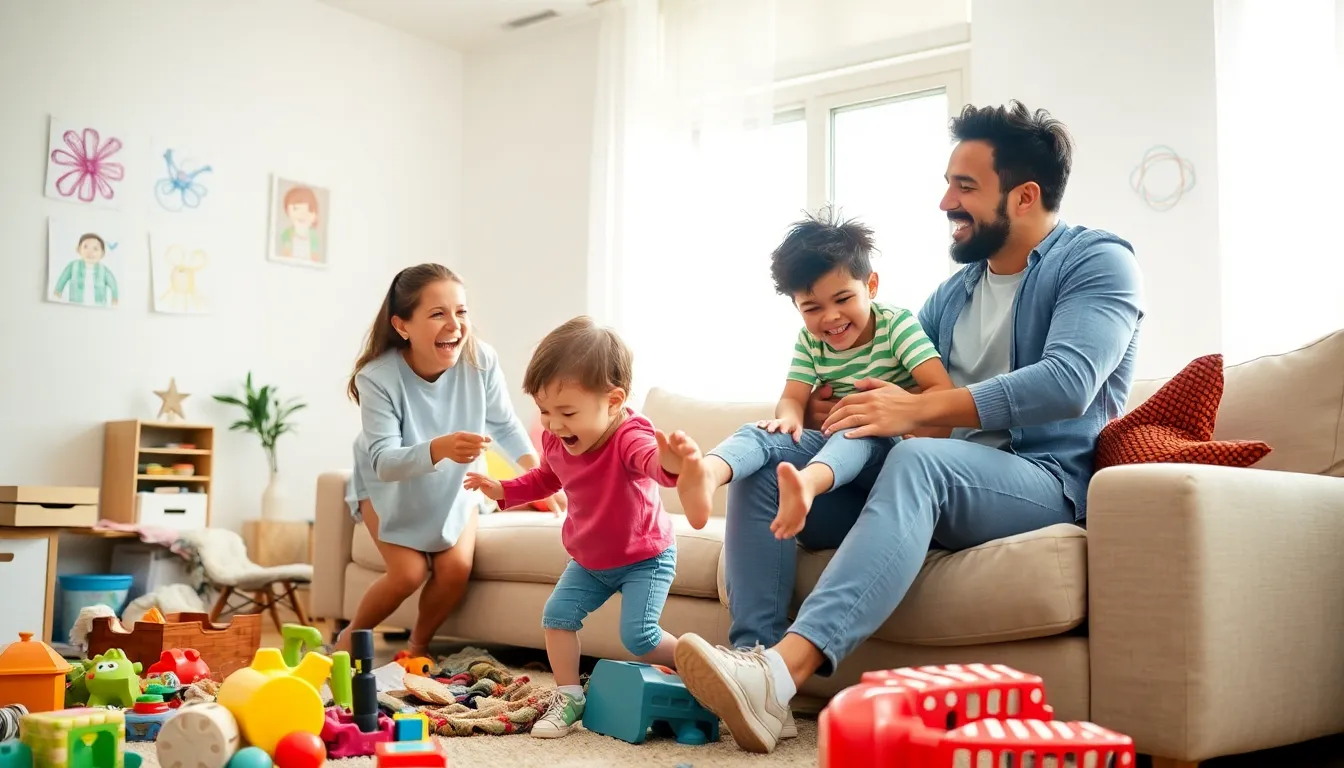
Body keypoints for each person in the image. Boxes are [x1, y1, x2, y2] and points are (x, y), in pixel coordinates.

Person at [672, 100, 1145, 753]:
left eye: (965, 186)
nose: (945, 201)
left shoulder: (1096, 262)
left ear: (1025, 195)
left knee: (919, 461)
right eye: (948, 183)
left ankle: (783, 672)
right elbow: (888, 385)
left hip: (1039, 483)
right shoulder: (955, 294)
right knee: (773, 463)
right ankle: (753, 668)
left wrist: (917, 411)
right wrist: (832, 409)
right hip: (925, 478)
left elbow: (1067, 383)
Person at [464, 316, 693, 739]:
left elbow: (652, 463)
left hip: (645, 557)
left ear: (614, 401)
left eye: (567, 412)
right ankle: (569, 696)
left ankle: (706, 667)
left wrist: (673, 461)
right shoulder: (556, 438)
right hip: (590, 560)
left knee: (640, 638)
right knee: (557, 616)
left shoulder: (629, 436)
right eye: (544, 411)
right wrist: (503, 488)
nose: (553, 424)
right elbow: (546, 478)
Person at [676, 208, 953, 540]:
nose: (831, 317)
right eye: (812, 308)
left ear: (871, 285)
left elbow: (942, 392)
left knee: (858, 425)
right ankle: (708, 473)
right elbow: (792, 398)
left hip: (890, 452)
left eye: (843, 299)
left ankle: (807, 484)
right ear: (797, 307)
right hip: (839, 459)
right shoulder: (810, 341)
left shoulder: (896, 325)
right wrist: (789, 421)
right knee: (761, 432)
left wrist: (897, 410)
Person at [337, 263, 565, 657]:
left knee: (455, 570)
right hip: (388, 482)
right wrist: (440, 449)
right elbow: (385, 462)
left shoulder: (481, 359)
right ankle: (347, 640)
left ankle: (417, 648)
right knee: (408, 574)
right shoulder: (376, 377)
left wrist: (539, 475)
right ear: (402, 325)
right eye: (437, 313)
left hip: (457, 479)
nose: (455, 325)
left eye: (461, 311)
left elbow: (504, 423)